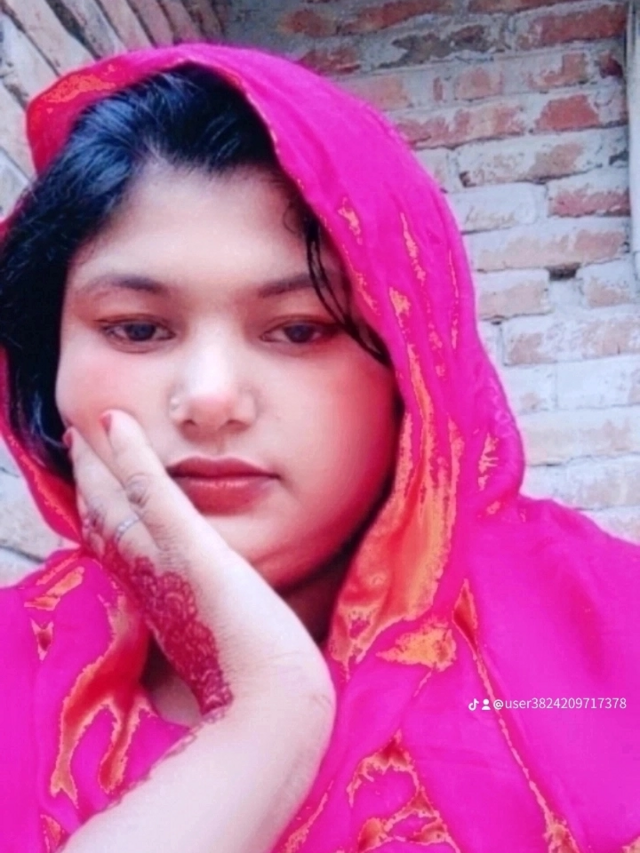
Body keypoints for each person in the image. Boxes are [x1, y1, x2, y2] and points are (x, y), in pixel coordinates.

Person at [0, 42, 638, 853]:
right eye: (137, 328)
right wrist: (265, 724)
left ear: (413, 370)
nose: (210, 399)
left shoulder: (611, 634)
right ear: (49, 362)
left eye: (300, 329)